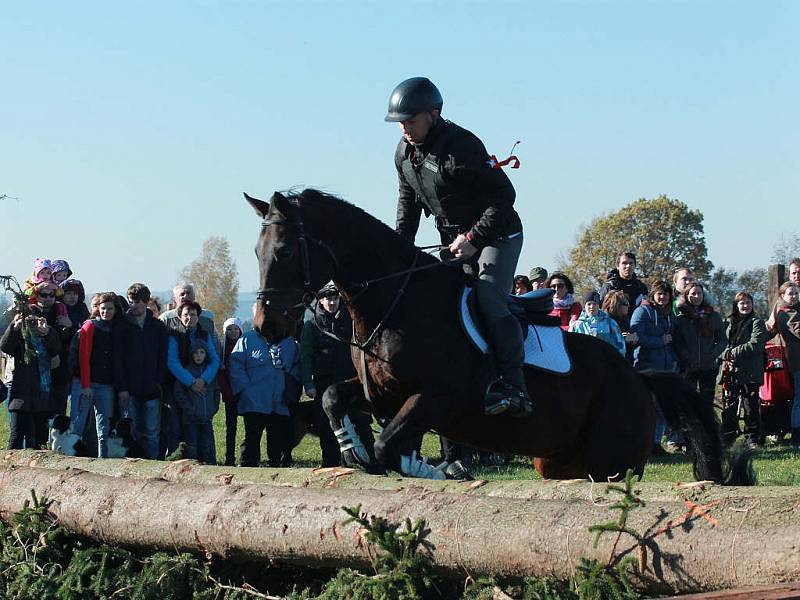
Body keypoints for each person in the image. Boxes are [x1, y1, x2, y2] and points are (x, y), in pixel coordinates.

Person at [384, 76, 529, 417]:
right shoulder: (403, 154)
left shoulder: (461, 147)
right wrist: (397, 254)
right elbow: (407, 209)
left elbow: (504, 197)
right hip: (455, 242)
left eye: (411, 120)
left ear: (433, 114)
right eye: (400, 123)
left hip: (497, 236)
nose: (405, 128)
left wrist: (474, 238)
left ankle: (514, 384)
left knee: (487, 296)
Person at [230, 318, 300, 467]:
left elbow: (296, 367)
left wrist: (291, 390)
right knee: (252, 438)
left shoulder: (289, 342)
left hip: (279, 400)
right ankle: (248, 465)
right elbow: (236, 365)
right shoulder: (247, 338)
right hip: (254, 400)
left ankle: (276, 466)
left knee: (276, 438)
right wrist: (245, 390)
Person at [299, 282, 355, 467]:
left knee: (353, 422)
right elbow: (305, 355)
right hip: (323, 381)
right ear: (321, 301)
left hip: (348, 380)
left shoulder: (350, 319)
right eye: (328, 299)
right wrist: (308, 384)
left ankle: (353, 462)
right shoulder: (311, 324)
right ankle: (329, 463)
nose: (331, 302)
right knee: (325, 425)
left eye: (335, 298)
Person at [114, 283, 168, 460]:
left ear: (146, 302)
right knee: (131, 432)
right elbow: (118, 359)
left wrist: (159, 381)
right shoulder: (121, 326)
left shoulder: (157, 327)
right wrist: (122, 387)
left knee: (152, 433)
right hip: (129, 389)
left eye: (137, 302)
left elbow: (162, 356)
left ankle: (152, 466)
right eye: (131, 301)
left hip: (152, 388)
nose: (133, 305)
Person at [166, 301, 220, 460]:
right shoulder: (174, 335)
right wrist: (191, 382)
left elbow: (214, 359)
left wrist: (203, 380)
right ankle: (179, 460)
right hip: (179, 387)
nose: (190, 317)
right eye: (186, 315)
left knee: (204, 431)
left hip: (202, 388)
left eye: (193, 314)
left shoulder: (204, 334)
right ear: (180, 317)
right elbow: (172, 362)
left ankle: (207, 461)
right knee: (177, 427)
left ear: (198, 316)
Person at [69, 292, 119, 457]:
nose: (106, 312)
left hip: (106, 384)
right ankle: (72, 461)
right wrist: (86, 384)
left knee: (104, 429)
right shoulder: (90, 326)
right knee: (77, 425)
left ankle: (102, 463)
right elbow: (84, 356)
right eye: (103, 308)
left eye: (110, 308)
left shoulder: (116, 329)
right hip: (85, 383)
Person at [1, 309, 60, 449]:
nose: (32, 323)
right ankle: (10, 467)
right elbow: (5, 346)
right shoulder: (20, 339)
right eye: (28, 319)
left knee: (40, 438)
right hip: (21, 396)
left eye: (34, 319)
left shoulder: (46, 335)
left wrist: (48, 332)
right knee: (17, 436)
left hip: (43, 395)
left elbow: (56, 350)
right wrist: (15, 327)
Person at [630, 280, 677, 455]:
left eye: (665, 294)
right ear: (653, 294)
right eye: (659, 293)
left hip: (666, 366)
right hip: (646, 365)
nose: (662, 297)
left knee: (662, 407)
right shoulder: (642, 312)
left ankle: (656, 443)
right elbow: (637, 336)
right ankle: (644, 442)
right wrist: (660, 341)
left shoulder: (668, 314)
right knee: (647, 406)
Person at [719, 292, 767, 448]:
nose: (745, 306)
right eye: (742, 303)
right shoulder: (728, 323)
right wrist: (725, 353)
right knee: (729, 406)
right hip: (731, 371)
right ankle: (728, 438)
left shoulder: (757, 323)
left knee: (750, 406)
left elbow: (756, 344)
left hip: (750, 371)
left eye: (748, 302)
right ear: (736, 305)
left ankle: (752, 438)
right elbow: (720, 342)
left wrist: (734, 352)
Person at [673, 282, 726, 408]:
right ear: (687, 296)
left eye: (699, 293)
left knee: (706, 403)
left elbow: (722, 340)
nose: (696, 296)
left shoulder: (713, 316)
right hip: (688, 367)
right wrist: (687, 356)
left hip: (709, 367)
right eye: (693, 294)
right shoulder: (681, 319)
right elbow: (677, 343)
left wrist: (712, 354)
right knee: (688, 401)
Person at [765, 281, 800, 445]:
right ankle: (796, 431)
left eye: (795, 293)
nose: (793, 297)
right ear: (782, 296)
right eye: (790, 294)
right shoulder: (786, 313)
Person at [173, 339, 218, 463]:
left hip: (206, 417)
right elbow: (179, 394)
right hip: (190, 418)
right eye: (196, 353)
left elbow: (216, 391)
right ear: (191, 354)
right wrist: (190, 410)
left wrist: (213, 409)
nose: (199, 355)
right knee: (192, 447)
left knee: (207, 446)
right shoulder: (186, 372)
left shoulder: (210, 373)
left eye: (202, 352)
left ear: (206, 354)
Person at [217, 316, 243, 466]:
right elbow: (221, 373)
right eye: (229, 329)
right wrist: (227, 392)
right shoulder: (222, 349)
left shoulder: (246, 346)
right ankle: (229, 458)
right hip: (229, 394)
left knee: (249, 427)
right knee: (230, 429)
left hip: (244, 394)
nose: (233, 332)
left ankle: (246, 456)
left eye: (235, 329)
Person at [570, 291, 625, 356]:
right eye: (589, 304)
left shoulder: (610, 323)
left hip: (606, 362)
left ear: (599, 305)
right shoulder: (576, 325)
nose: (592, 306)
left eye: (595, 304)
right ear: (584, 306)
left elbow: (620, 344)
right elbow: (571, 345)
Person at [599, 252, 648, 318]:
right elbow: (601, 312)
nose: (628, 266)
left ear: (635, 266)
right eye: (624, 263)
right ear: (618, 266)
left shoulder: (641, 287)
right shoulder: (609, 287)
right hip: (615, 326)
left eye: (631, 263)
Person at [602, 290, 638, 363]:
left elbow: (634, 338)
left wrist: (633, 339)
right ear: (615, 304)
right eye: (625, 303)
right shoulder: (604, 321)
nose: (629, 306)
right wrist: (620, 338)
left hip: (626, 361)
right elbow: (604, 341)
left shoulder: (624, 319)